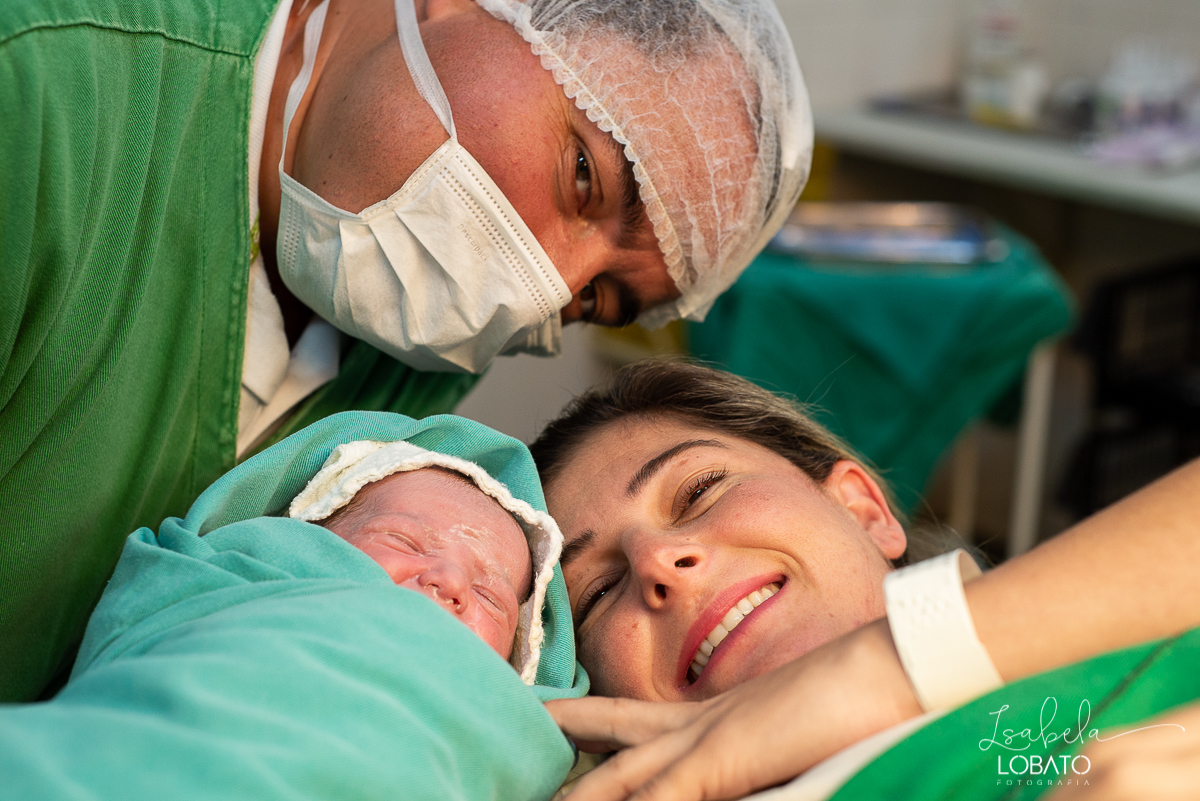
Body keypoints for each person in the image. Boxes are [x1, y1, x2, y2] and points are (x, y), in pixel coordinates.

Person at [0, 0, 812, 701]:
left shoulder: (413, 342)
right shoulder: (40, 95)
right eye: (581, 174)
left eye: (594, 299)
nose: (545, 288)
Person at [528, 360, 1200, 801]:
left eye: (701, 489)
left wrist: (883, 667)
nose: (653, 561)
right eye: (596, 592)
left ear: (863, 508)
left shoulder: (1115, 611)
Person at [0, 411, 587, 799]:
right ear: (302, 538)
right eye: (402, 541)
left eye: (491, 596)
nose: (448, 581)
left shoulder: (511, 719)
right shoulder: (238, 583)